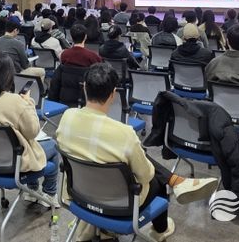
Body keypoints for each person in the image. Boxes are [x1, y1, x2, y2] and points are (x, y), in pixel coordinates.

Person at [56, 63, 219, 241]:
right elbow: (146, 175)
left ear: (85, 88)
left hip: (79, 194)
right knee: (156, 182)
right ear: (113, 94)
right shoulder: (124, 133)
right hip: (120, 203)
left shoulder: (67, 117)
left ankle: (177, 182)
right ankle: (160, 230)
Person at [0, 52, 58, 206]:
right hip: (13, 164)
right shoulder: (15, 101)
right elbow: (33, 131)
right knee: (53, 147)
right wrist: (28, 102)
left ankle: (32, 190)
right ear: (7, 76)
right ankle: (49, 194)